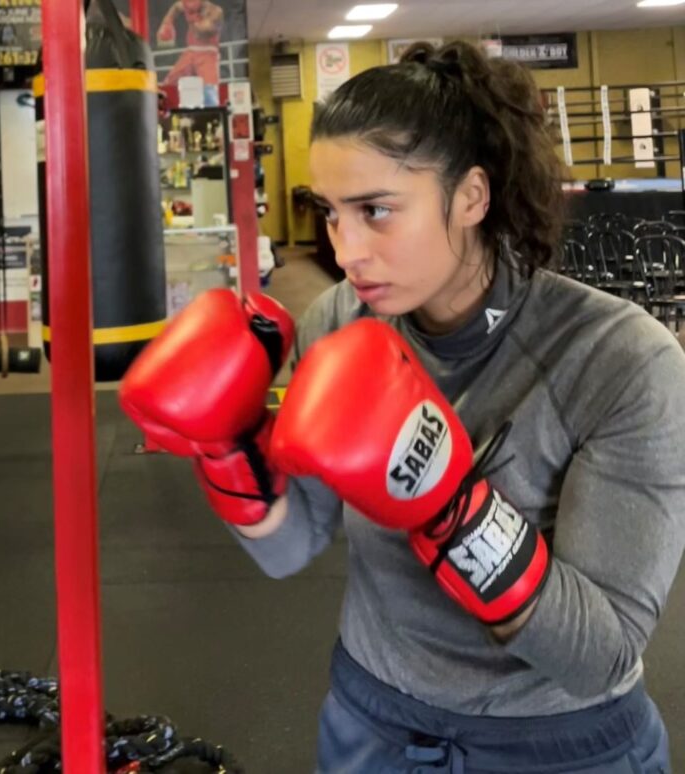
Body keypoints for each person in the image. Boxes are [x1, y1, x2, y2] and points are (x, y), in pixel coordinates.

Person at [119, 40, 685, 773]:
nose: (346, 250)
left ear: (471, 197)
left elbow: (599, 656)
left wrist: (448, 503)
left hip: (553, 742)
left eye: (376, 210)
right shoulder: (341, 319)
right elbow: (292, 550)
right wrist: (228, 448)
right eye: (330, 213)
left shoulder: (621, 360)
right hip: (374, 719)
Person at [156, 0, 224, 87]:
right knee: (169, 84)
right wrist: (166, 22)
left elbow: (203, 31)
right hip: (191, 51)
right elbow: (176, 7)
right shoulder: (187, 6)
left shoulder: (215, 11)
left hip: (208, 53)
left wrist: (192, 16)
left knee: (210, 89)